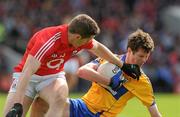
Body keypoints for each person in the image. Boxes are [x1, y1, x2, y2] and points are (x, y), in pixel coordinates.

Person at [3, 14, 141, 117]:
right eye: (88, 39)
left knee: (59, 99)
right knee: (12, 114)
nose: (90, 43)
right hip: (27, 77)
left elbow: (98, 48)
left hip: (52, 77)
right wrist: (17, 104)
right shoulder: (47, 40)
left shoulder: (80, 39)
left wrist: (122, 65)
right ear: (78, 37)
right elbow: (27, 71)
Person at [30, 29, 162, 117]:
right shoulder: (110, 59)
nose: (143, 60)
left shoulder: (142, 81)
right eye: (140, 56)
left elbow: (155, 113)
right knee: (40, 103)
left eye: (146, 56)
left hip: (97, 114)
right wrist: (111, 82)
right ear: (129, 50)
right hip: (82, 106)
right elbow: (82, 71)